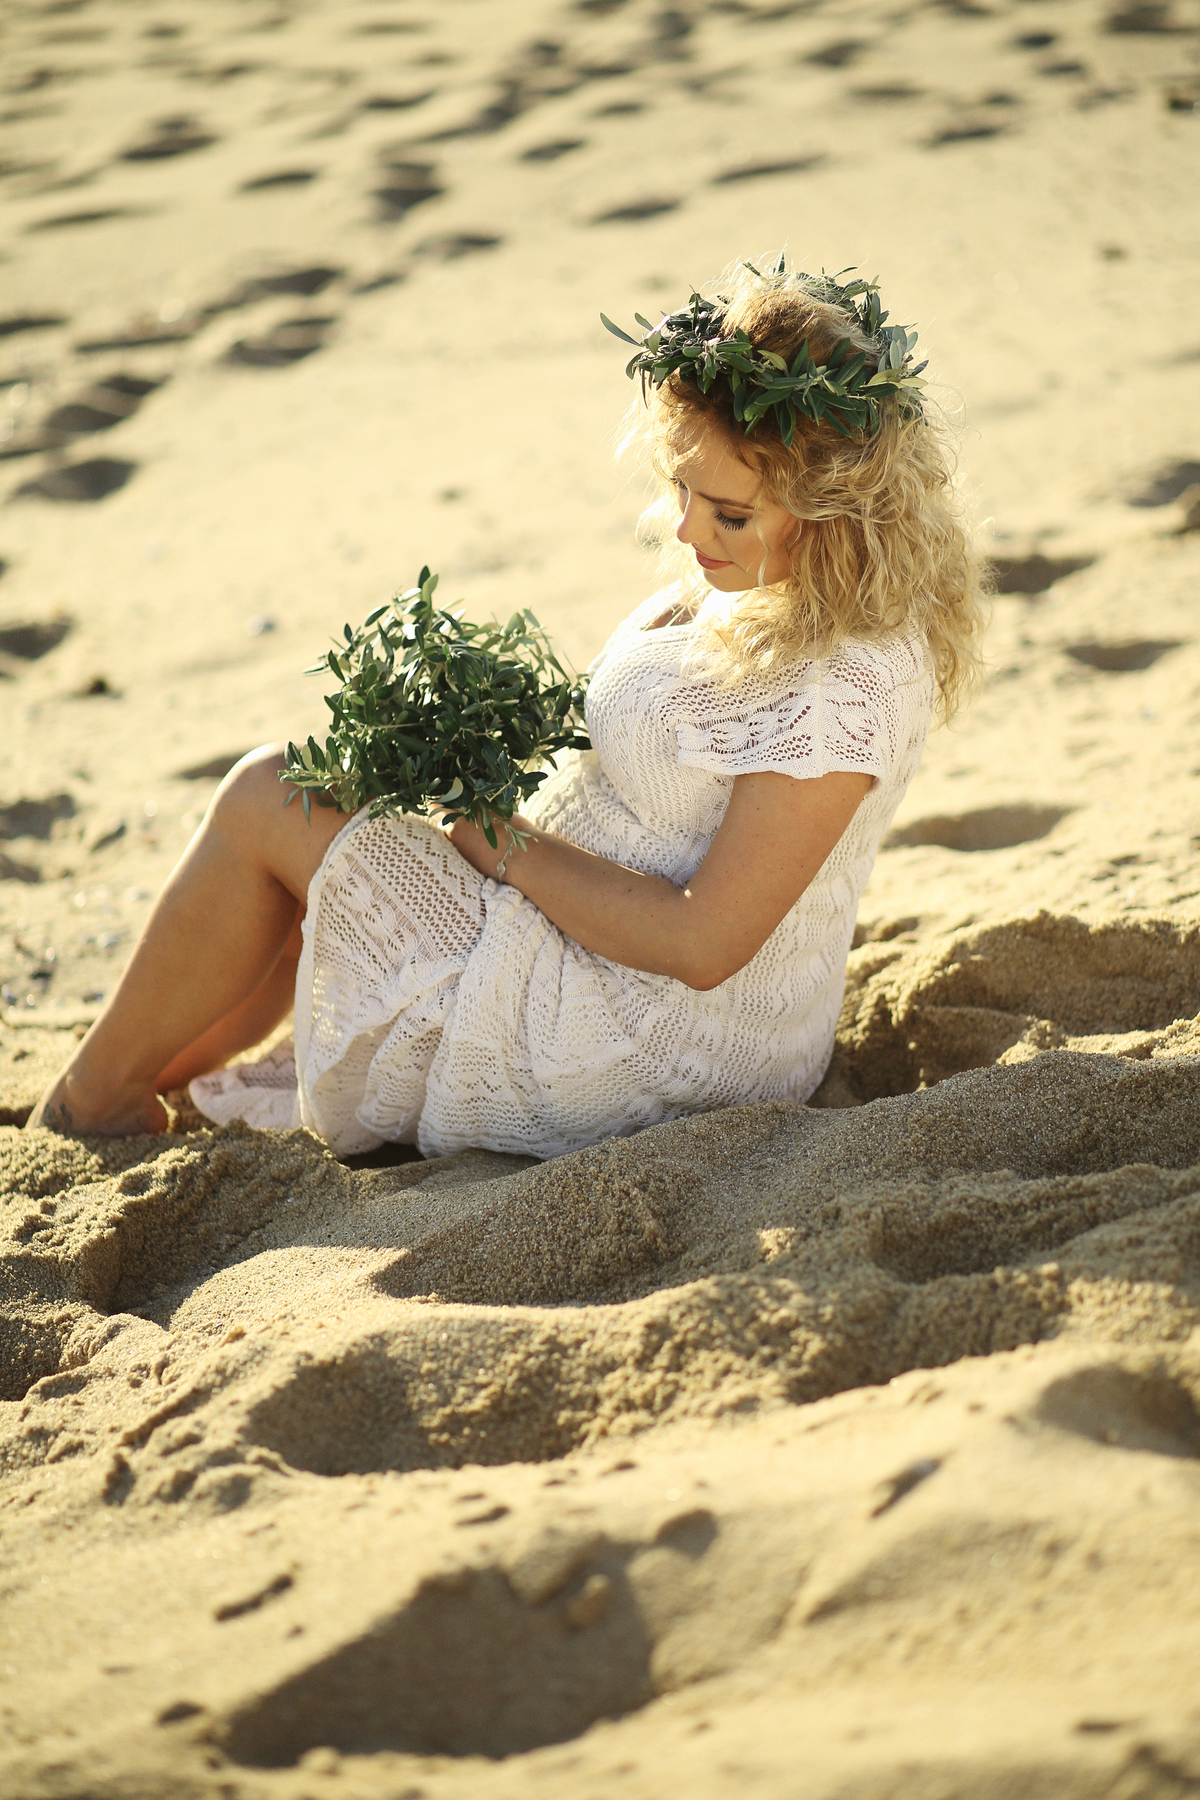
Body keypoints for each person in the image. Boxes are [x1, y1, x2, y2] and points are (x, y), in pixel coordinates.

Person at [29, 258, 984, 1154]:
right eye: (682, 489)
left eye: (726, 512)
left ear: (840, 507)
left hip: (647, 1037)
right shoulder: (782, 580)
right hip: (591, 942)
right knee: (328, 843)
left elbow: (703, 943)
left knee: (269, 798)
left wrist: (505, 844)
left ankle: (92, 1099)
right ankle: (143, 1075)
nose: (688, 528)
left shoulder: (840, 688)